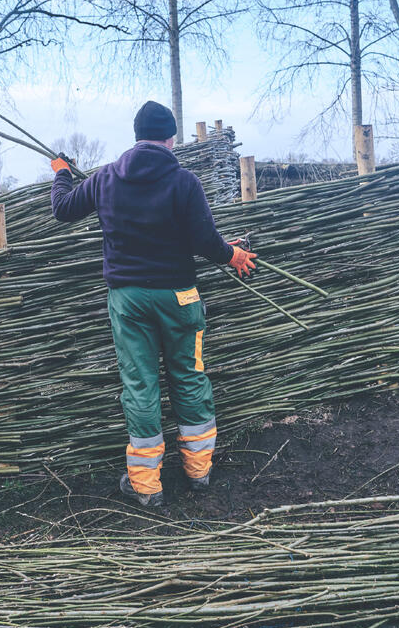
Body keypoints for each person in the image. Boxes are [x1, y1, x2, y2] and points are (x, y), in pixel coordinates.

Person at [51, 101, 256, 507]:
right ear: (171, 138)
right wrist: (231, 255)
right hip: (179, 296)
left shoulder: (106, 178)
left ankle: (147, 485)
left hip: (128, 301)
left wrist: (60, 174)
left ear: (136, 134)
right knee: (190, 375)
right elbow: (204, 240)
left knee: (140, 383)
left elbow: (62, 209)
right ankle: (198, 470)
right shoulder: (184, 182)